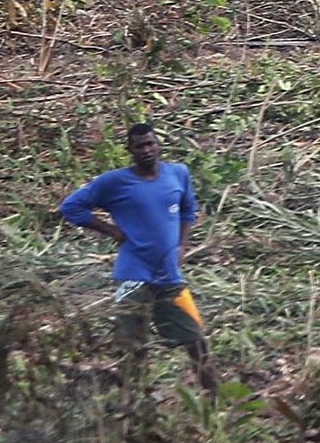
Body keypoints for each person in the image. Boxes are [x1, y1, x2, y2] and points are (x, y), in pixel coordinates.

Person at [59, 122, 216, 393]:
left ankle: (217, 406)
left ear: (158, 145)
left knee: (196, 341)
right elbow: (71, 207)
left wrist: (182, 245)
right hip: (131, 279)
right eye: (140, 146)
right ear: (129, 150)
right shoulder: (114, 181)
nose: (146, 150)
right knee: (132, 349)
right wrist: (111, 230)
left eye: (150, 143)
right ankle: (132, 408)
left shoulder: (178, 174)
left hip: (170, 277)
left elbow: (189, 210)